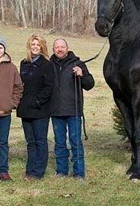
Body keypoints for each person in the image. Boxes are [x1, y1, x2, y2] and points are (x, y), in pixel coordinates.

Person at [50, 38, 95, 179]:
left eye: (62, 46)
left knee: (76, 141)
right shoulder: (49, 64)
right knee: (59, 142)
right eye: (57, 47)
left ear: (67, 48)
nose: (60, 49)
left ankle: (79, 172)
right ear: (53, 49)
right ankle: (62, 171)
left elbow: (89, 85)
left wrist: (82, 75)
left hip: (73, 110)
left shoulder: (78, 63)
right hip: (56, 110)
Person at [17, 34, 53, 180]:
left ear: (42, 47)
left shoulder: (47, 65)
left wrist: (38, 101)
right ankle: (29, 169)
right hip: (25, 109)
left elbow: (49, 87)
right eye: (33, 45)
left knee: (40, 141)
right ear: (29, 46)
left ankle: (38, 172)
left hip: (40, 109)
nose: (35, 47)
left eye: (38, 45)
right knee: (30, 142)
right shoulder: (24, 63)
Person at [0, 36, 23, 181]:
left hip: (4, 113)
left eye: (0, 47)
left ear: (4, 49)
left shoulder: (12, 67)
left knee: (3, 143)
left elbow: (18, 87)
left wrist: (12, 104)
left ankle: (3, 170)